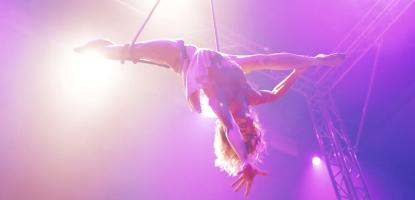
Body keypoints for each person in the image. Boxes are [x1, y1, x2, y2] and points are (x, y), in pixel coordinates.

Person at [74, 38, 345, 197]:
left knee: (125, 52)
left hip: (183, 58)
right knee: (261, 61)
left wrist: (246, 161)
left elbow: (228, 127)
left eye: (244, 134)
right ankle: (98, 47)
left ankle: (97, 49)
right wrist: (310, 63)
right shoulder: (252, 98)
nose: (246, 127)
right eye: (252, 132)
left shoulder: (220, 106)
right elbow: (275, 84)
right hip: (226, 61)